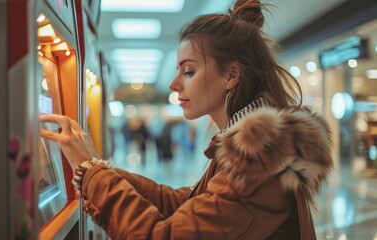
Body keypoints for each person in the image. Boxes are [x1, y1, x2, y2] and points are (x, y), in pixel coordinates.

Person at [39, 0, 333, 239]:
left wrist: (93, 172)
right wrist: (96, 168)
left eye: (188, 71)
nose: (174, 84)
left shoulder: (258, 160)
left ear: (231, 75)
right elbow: (183, 204)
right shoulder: (252, 146)